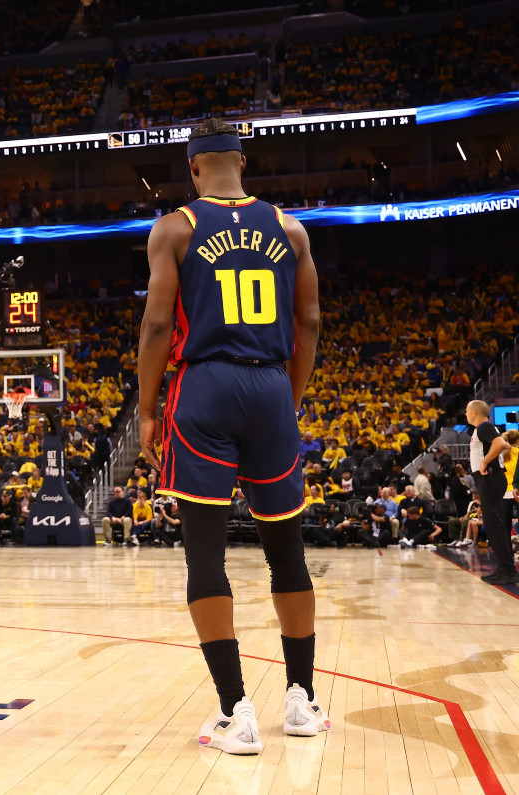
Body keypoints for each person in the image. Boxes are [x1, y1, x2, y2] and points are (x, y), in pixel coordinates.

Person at [137, 118, 326, 755]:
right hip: (271, 386)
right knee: (287, 550)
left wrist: (144, 408)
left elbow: (158, 325)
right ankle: (301, 701)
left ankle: (234, 712)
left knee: (205, 556)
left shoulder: (176, 227)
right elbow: (310, 319)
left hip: (205, 386)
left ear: (194, 169)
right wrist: (288, 397)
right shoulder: (291, 228)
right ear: (242, 163)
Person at [465, 400, 515, 584]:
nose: (465, 414)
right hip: (489, 478)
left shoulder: (483, 426)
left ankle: (508, 570)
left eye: (467, 411)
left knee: (494, 525)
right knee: (495, 524)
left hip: (489, 477)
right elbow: (504, 445)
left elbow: (500, 443)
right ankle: (505, 568)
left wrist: (485, 462)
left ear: (475, 413)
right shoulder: (484, 428)